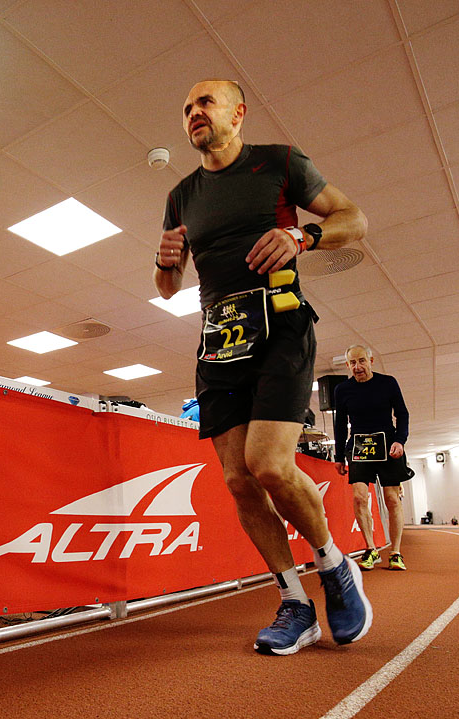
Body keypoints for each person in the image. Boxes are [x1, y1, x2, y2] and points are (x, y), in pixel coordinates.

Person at [153, 79, 370, 656]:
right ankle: (294, 601)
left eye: (206, 102)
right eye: (186, 107)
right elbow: (168, 284)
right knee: (237, 481)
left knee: (269, 464)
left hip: (280, 326)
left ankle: (333, 565)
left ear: (239, 113)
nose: (194, 112)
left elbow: (353, 219)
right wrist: (165, 264)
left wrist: (302, 235)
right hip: (219, 341)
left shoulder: (278, 163)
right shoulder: (180, 195)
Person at [333, 345, 411, 571]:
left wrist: (400, 441)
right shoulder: (342, 390)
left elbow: (402, 413)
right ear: (347, 365)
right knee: (359, 497)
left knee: (392, 499)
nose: (357, 367)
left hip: (388, 445)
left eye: (361, 361)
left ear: (371, 361)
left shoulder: (388, 383)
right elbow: (340, 425)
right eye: (352, 363)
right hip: (359, 446)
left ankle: (395, 553)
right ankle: (371, 549)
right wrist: (339, 456)